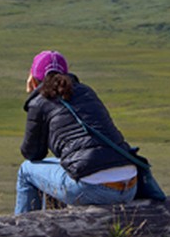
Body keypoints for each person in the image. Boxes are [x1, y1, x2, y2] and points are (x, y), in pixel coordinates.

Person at [15, 50, 138, 214]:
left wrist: (34, 97)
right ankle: (56, 223)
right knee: (64, 166)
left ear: (33, 78)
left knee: (26, 170)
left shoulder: (39, 102)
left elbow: (32, 154)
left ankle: (24, 227)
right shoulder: (86, 91)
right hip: (130, 184)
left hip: (92, 189)